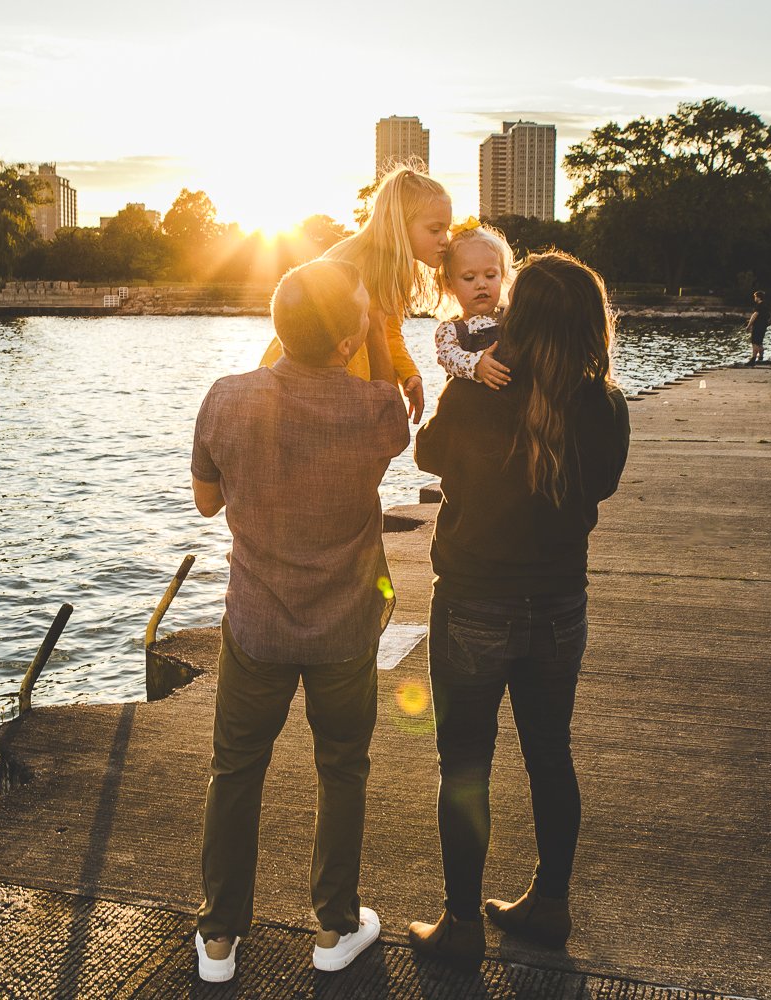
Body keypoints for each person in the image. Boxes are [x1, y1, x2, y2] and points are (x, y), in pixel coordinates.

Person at [407, 251, 631, 969]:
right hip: (561, 605)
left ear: (519, 319)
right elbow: (602, 485)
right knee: (550, 754)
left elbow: (428, 455)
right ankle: (549, 904)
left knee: (465, 764)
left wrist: (465, 375)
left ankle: (462, 923)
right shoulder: (605, 401)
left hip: (475, 599)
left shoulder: (480, 390)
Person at [190, 259, 410, 982]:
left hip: (256, 624)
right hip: (346, 627)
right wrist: (373, 327)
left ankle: (220, 939)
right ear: (351, 339)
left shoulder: (225, 398)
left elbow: (206, 503)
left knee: (235, 772)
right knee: (342, 770)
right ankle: (334, 928)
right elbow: (390, 396)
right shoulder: (379, 410)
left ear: (275, 324)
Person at [260, 164, 451, 423]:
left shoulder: (390, 264)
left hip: (306, 368)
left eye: (446, 230)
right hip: (317, 372)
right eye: (435, 229)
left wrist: (409, 374)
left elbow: (389, 331)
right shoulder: (365, 264)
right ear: (400, 225)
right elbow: (372, 333)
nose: (445, 240)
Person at [433, 217, 516, 389]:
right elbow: (448, 357)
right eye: (469, 278)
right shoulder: (451, 330)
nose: (481, 284)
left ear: (502, 276)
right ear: (449, 284)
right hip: (470, 408)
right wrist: (477, 364)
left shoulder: (512, 317)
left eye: (491, 275)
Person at [746, 290, 771, 365]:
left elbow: (754, 315)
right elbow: (768, 317)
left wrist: (749, 325)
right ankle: (760, 359)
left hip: (757, 326)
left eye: (755, 297)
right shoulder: (766, 306)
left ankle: (753, 359)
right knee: (760, 343)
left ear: (758, 297)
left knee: (754, 343)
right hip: (763, 327)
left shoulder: (759, 306)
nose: (754, 298)